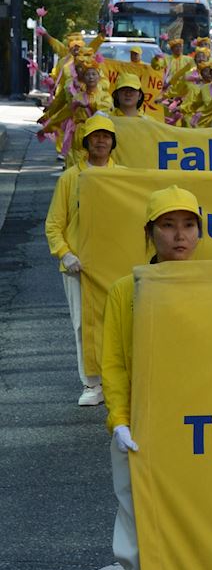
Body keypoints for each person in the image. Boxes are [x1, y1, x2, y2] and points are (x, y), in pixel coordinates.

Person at [103, 185, 206, 570]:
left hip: (199, 439)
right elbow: (115, 362)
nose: (178, 236)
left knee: (190, 546)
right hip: (141, 439)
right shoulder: (127, 289)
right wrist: (119, 420)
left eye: (188, 225)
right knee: (138, 551)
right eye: (167, 225)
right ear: (150, 233)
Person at [45, 115, 121, 406]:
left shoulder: (123, 177)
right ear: (86, 141)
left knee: (116, 323)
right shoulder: (69, 178)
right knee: (83, 325)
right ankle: (92, 383)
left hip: (115, 264)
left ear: (113, 142)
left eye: (106, 136)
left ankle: (117, 379)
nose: (101, 141)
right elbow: (54, 224)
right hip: (79, 267)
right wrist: (65, 253)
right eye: (96, 136)